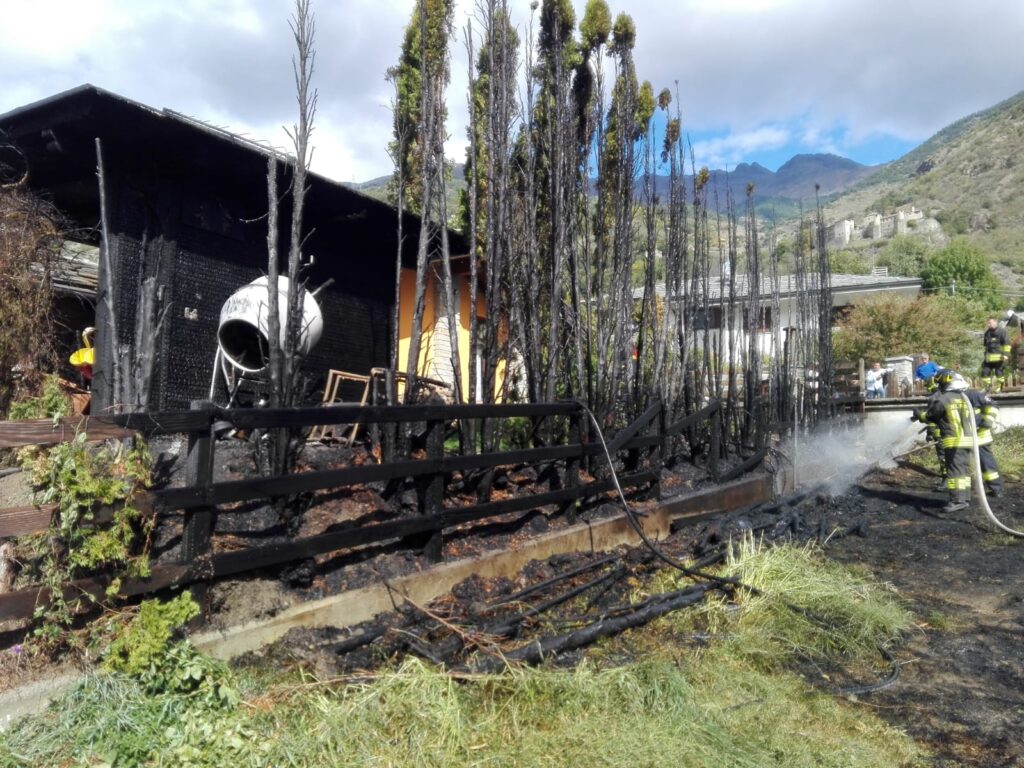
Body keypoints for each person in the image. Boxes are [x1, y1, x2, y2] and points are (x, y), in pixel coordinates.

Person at [913, 369, 1002, 512]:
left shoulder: (945, 399)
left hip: (957, 441)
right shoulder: (965, 396)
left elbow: (931, 416)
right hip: (968, 438)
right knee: (965, 469)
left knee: (957, 471)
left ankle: (959, 500)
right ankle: (965, 497)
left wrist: (919, 415)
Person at [980, 317, 1011, 392]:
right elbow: (986, 346)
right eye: (988, 323)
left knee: (999, 373)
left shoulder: (1002, 331)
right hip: (988, 359)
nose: (988, 324)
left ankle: (998, 388)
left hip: (1000, 358)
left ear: (995, 322)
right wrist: (985, 358)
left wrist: (1006, 355)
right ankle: (986, 388)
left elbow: (1007, 344)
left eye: (990, 323)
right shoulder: (987, 333)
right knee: (984, 372)